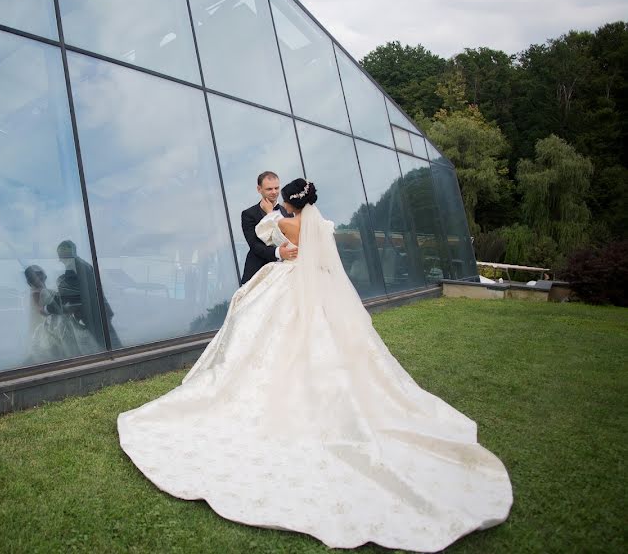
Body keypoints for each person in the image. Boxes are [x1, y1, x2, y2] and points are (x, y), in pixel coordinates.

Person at [118, 179, 512, 552]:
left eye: (281, 196)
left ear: (289, 200)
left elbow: (263, 235)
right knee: (326, 342)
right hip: (318, 287)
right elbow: (322, 259)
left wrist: (278, 224)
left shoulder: (282, 222)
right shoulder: (321, 226)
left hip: (286, 283)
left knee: (261, 334)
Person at [55, 240, 122, 350]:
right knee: (110, 342)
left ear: (63, 256)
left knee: (106, 345)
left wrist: (48, 308)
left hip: (93, 314)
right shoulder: (83, 265)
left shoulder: (73, 270)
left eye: (61, 257)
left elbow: (67, 294)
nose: (61, 260)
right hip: (99, 311)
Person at [240, 171, 298, 284]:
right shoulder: (248, 214)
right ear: (259, 189)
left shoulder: (288, 212)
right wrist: (278, 252)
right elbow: (254, 245)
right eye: (269, 189)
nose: (274, 192)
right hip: (258, 273)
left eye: (277, 188)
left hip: (284, 274)